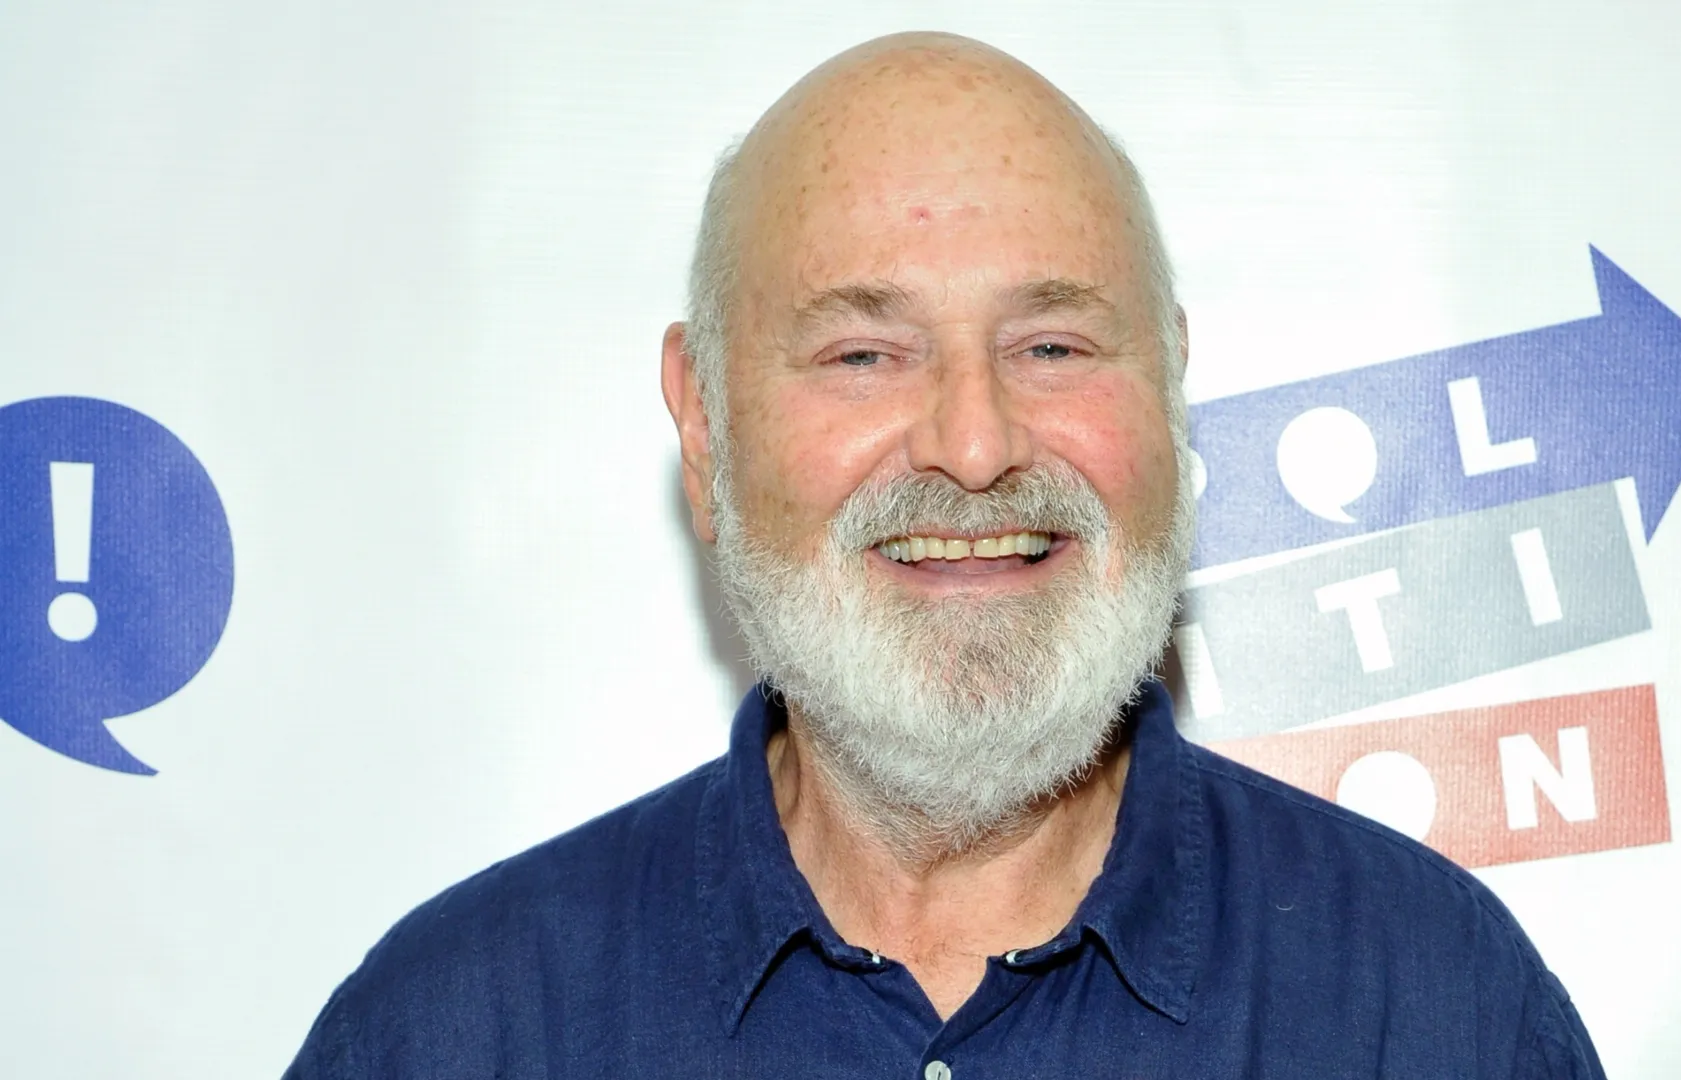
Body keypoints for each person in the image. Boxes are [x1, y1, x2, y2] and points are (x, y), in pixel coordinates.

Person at [285, 31, 1606, 1078]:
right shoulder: (451, 1035)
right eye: (865, 353)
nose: (975, 447)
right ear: (705, 426)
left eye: (1054, 347)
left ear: (1172, 391)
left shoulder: (1439, 1016)